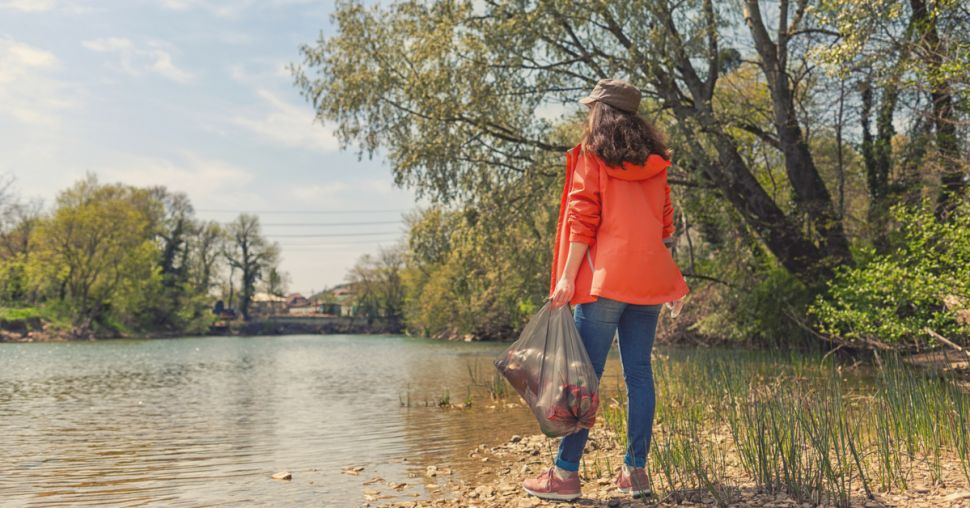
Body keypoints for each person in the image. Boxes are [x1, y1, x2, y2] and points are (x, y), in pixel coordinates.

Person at [521, 79, 689, 501]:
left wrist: (565, 277)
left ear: (601, 113)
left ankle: (565, 475)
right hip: (648, 282)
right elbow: (665, 225)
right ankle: (636, 473)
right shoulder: (657, 164)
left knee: (584, 377)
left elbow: (583, 219)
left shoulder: (592, 158)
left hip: (604, 283)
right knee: (639, 376)